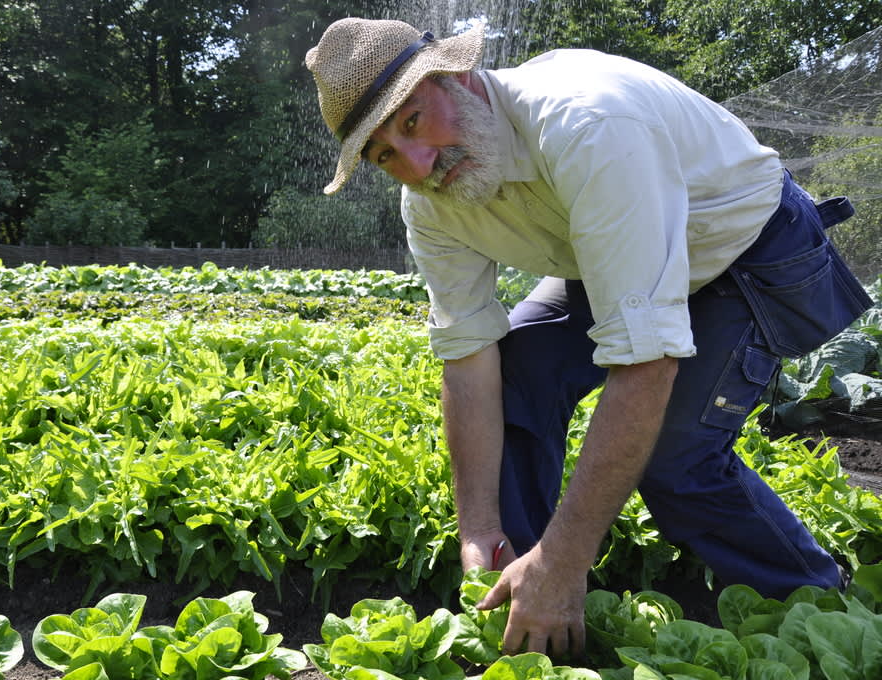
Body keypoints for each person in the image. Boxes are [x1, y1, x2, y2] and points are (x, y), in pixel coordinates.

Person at [304, 17, 874, 659]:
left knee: (675, 458)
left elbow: (647, 359)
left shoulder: (587, 125)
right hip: (609, 259)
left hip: (740, 248)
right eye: (384, 156)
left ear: (457, 77)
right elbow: (468, 358)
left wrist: (567, 558)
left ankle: (820, 601)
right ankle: (516, 601)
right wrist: (478, 528)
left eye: (411, 122)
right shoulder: (431, 207)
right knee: (517, 370)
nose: (418, 164)